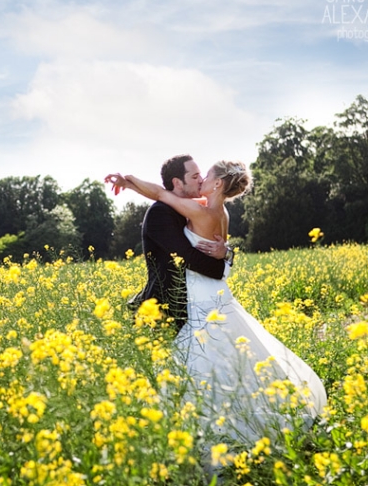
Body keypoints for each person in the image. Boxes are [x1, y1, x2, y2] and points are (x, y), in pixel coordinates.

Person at [105, 160, 327, 449]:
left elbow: (162, 195)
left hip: (202, 296)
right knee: (231, 362)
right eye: (195, 175)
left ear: (218, 183)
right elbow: (161, 193)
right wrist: (129, 182)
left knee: (204, 363)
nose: (201, 179)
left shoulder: (200, 210)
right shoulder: (217, 210)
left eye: (205, 175)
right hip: (216, 294)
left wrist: (128, 179)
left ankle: (208, 433)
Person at [122, 155, 230, 334]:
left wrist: (226, 253)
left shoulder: (194, 209)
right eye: (195, 177)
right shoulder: (160, 213)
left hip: (190, 305)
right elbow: (186, 257)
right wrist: (222, 268)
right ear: (178, 183)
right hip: (166, 309)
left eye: (201, 176)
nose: (201, 181)